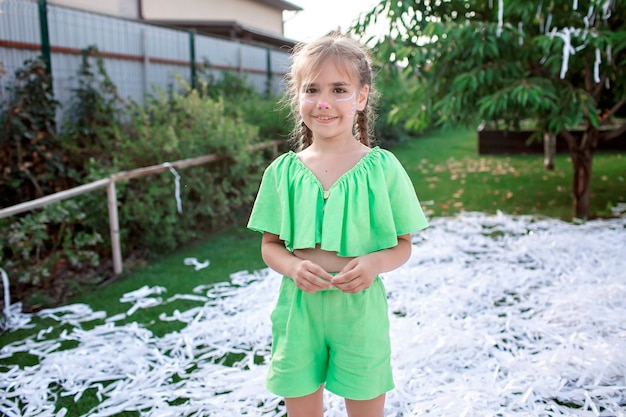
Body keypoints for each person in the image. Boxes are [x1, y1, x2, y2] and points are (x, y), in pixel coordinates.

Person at [247, 33, 428, 417]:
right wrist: (294, 266)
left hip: (359, 311)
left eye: (339, 89)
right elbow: (270, 246)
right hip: (299, 311)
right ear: (298, 98)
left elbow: (403, 243)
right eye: (311, 89)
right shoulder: (283, 173)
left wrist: (375, 263)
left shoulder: (382, 169)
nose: (324, 102)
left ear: (361, 98)